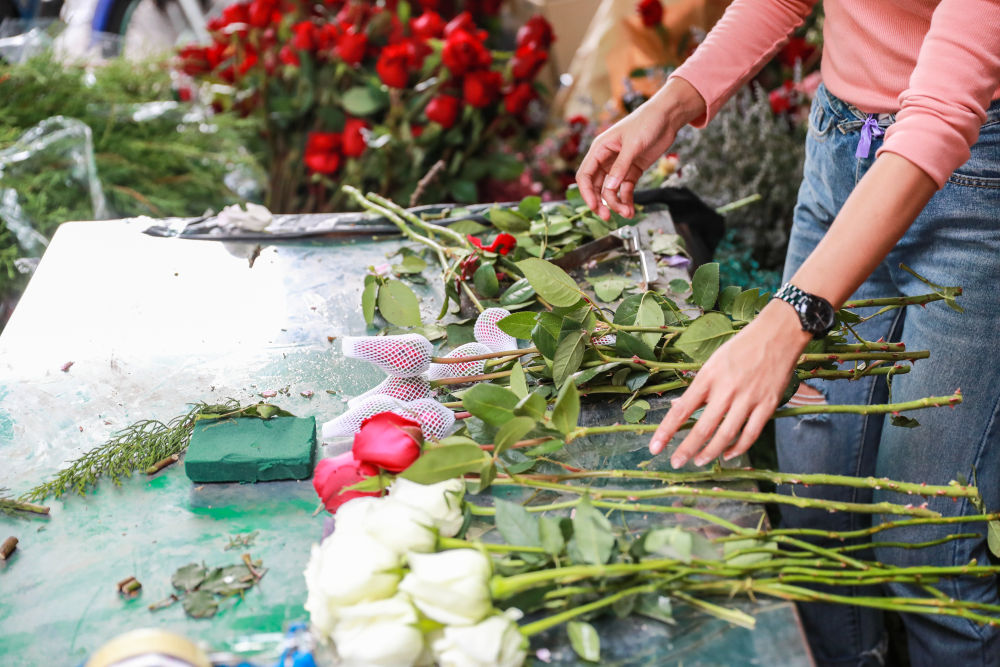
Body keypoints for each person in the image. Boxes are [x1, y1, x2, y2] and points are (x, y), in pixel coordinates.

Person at [576, 1, 1000, 665]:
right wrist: (674, 100)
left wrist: (788, 318)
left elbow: (944, 114)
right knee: (813, 505)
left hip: (973, 185)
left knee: (925, 544)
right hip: (843, 148)